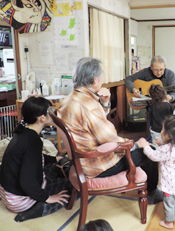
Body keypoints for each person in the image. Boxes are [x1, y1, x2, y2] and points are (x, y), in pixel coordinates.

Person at [58, 57, 162, 204]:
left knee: (139, 145)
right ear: (95, 80)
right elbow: (111, 139)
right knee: (149, 151)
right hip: (97, 165)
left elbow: (92, 124)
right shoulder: (88, 105)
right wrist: (138, 144)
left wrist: (105, 104)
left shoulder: (69, 99)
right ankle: (151, 193)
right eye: (101, 78)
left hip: (80, 160)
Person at [0, 97, 71, 222]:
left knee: (51, 169)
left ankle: (39, 200)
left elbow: (35, 159)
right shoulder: (33, 141)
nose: (52, 113)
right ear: (41, 118)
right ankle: (37, 209)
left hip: (8, 193)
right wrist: (48, 197)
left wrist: (55, 159)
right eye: (50, 111)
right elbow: (27, 181)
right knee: (73, 186)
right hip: (19, 200)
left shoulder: (24, 133)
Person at [137, 113, 175, 230]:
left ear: (168, 136)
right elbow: (171, 152)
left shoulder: (166, 149)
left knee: (169, 204)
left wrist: (145, 146)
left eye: (163, 130)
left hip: (171, 187)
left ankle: (169, 223)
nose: (161, 131)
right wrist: (162, 144)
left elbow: (154, 156)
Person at [148, 84, 174, 149]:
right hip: (167, 131)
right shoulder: (169, 106)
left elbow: (150, 118)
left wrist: (151, 126)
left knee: (156, 147)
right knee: (167, 147)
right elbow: (173, 119)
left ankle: (156, 158)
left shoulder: (153, 106)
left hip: (155, 130)